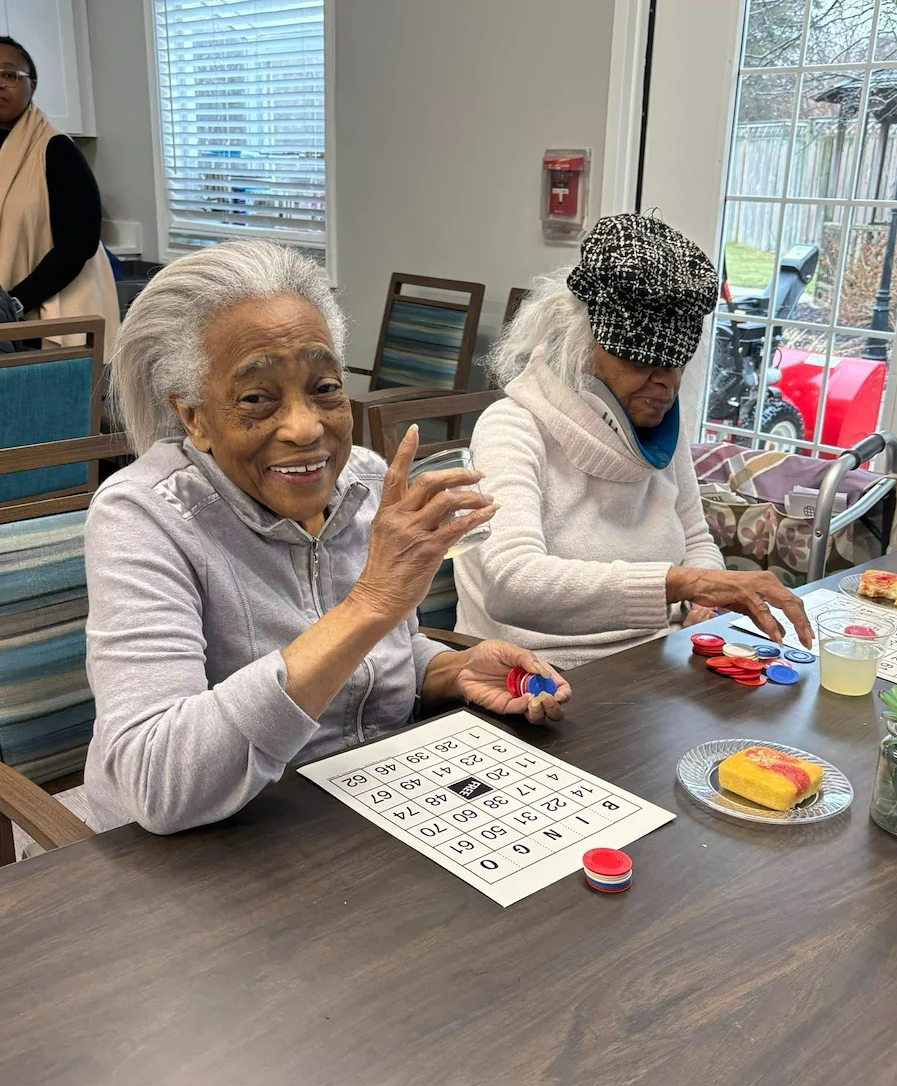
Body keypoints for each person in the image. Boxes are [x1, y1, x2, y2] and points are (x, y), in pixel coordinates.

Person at [82, 240, 570, 836]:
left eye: (325, 388)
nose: (305, 427)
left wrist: (447, 669)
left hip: (357, 815)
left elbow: (384, 652)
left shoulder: (364, 482)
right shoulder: (144, 518)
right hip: (204, 856)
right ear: (193, 418)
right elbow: (157, 783)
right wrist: (371, 603)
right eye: (257, 398)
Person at [454, 214, 812, 669]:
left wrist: (705, 594)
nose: (666, 384)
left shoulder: (660, 427)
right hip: (532, 674)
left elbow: (695, 538)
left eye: (676, 363)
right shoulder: (512, 427)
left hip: (653, 660)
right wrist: (685, 585)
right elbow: (512, 585)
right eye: (642, 360)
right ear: (580, 344)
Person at [0, 36, 119, 357]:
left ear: (32, 85)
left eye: (9, 75)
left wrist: (14, 302)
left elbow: (79, 241)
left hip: (47, 313)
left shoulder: (56, 149)